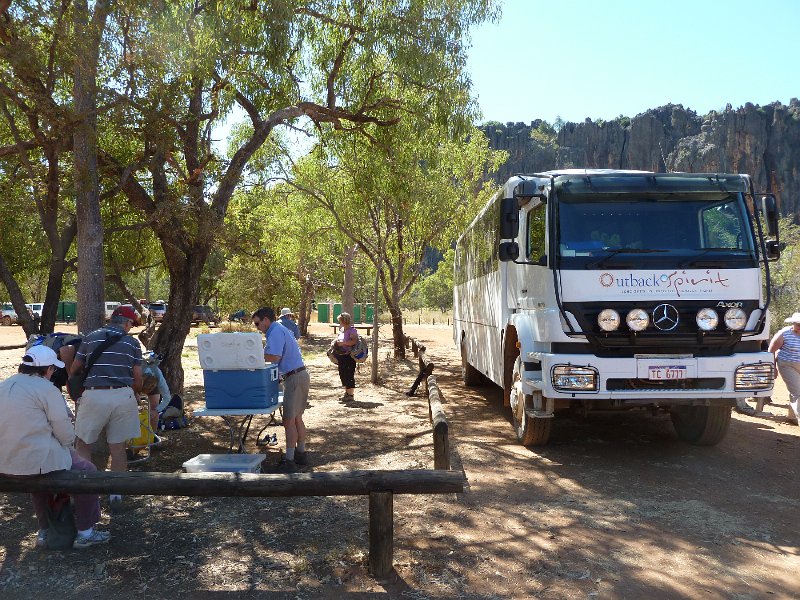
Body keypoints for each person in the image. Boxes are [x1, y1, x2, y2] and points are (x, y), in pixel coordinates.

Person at [0, 346, 110, 549]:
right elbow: (64, 433)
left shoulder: (4, 385)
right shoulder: (46, 389)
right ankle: (86, 532)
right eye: (53, 369)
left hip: (5, 462)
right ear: (48, 369)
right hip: (36, 462)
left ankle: (45, 530)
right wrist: (67, 442)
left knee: (37, 480)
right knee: (87, 472)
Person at [70, 304, 144, 512]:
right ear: (127, 323)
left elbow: (76, 368)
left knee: (83, 443)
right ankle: (116, 494)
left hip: (94, 393)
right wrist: (135, 393)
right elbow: (137, 377)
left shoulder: (91, 337)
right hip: (123, 394)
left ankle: (85, 490)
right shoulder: (132, 343)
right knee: (118, 446)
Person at [252, 306, 310, 472]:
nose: (257, 328)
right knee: (297, 418)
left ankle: (290, 461)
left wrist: (254, 356)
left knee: (289, 421)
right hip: (300, 375)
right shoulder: (280, 329)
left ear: (266, 320)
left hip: (294, 378)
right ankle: (300, 454)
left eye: (257, 324)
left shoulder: (275, 331)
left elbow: (274, 357)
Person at [768, 312, 800, 425]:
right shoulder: (784, 333)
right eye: (798, 325)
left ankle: (792, 416)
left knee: (795, 391)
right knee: (797, 392)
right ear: (793, 324)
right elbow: (771, 350)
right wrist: (773, 368)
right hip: (787, 365)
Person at [332, 311, 358, 402]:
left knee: (349, 374)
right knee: (343, 374)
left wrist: (343, 343)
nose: (339, 322)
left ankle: (350, 394)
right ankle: (346, 393)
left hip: (349, 356)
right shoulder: (342, 330)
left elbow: (353, 341)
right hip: (342, 356)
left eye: (340, 320)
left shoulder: (352, 330)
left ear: (344, 321)